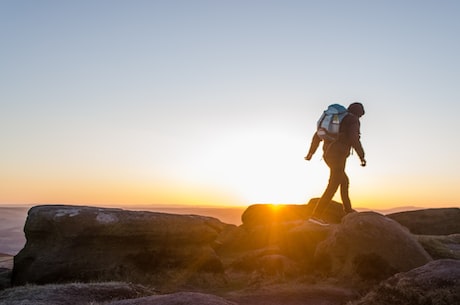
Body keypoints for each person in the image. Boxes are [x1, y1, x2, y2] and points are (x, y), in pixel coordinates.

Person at [305, 102, 366, 226]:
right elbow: (354, 138)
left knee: (343, 181)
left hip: (328, 155)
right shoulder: (353, 119)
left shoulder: (337, 118)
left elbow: (317, 135)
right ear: (359, 113)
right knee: (333, 184)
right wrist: (362, 156)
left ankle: (348, 211)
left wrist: (311, 153)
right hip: (338, 155)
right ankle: (316, 215)